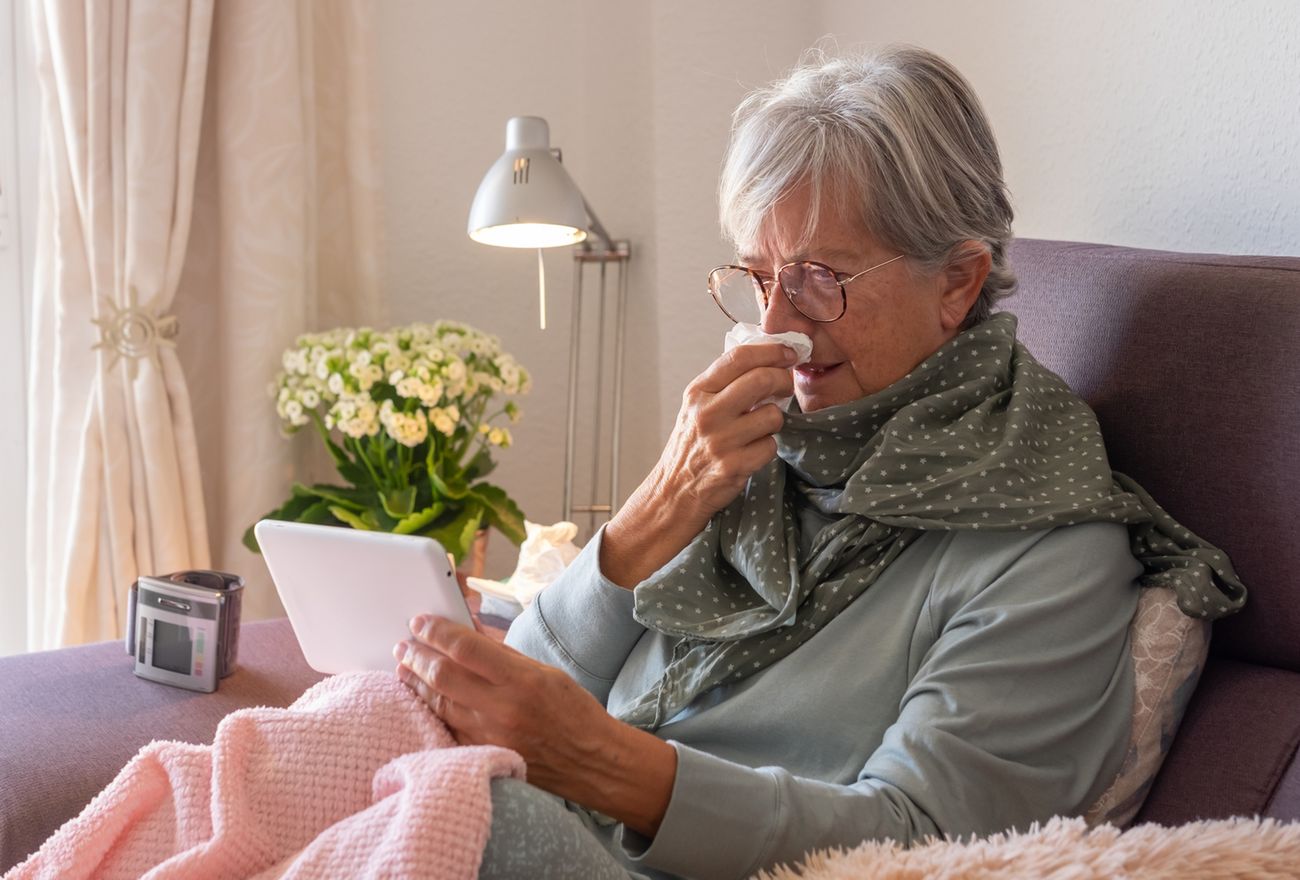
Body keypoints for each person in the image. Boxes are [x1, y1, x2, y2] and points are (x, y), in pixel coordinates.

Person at [393, 45, 1244, 880]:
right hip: (560, 818)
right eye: (757, 276)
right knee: (367, 721)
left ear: (957, 283)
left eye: (819, 278)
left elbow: (923, 845)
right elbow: (530, 689)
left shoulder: (1044, 546)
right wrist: (659, 505)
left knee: (465, 817)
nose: (775, 325)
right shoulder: (757, 447)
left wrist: (603, 764)